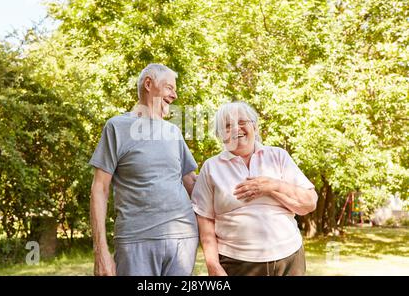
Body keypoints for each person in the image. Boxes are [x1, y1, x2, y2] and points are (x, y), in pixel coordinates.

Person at [89, 64, 199, 276]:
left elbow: (192, 183)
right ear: (148, 84)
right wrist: (100, 251)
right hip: (136, 239)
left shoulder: (173, 132)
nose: (174, 95)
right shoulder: (117, 127)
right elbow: (99, 188)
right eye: (169, 88)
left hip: (183, 238)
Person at [191, 101, 318, 276]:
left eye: (242, 122)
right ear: (220, 135)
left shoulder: (278, 156)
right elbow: (205, 220)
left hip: (289, 257)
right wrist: (212, 264)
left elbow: (309, 203)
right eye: (228, 125)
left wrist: (272, 185)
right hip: (237, 262)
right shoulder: (211, 167)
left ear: (255, 126)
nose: (236, 129)